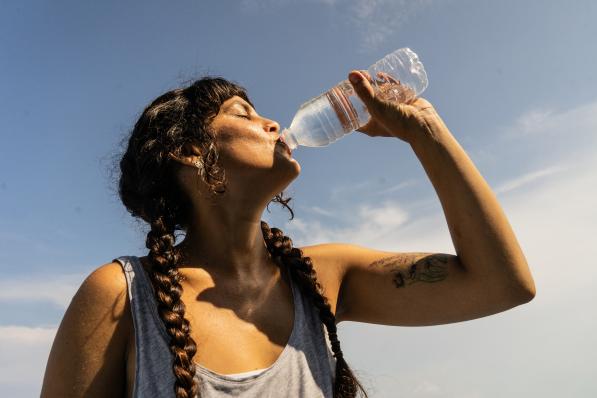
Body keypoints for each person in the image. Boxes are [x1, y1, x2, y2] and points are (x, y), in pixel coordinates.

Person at [41, 70, 536, 398]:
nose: (272, 122)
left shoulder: (324, 275)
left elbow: (502, 283)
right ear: (188, 152)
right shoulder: (121, 295)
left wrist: (427, 132)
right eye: (242, 113)